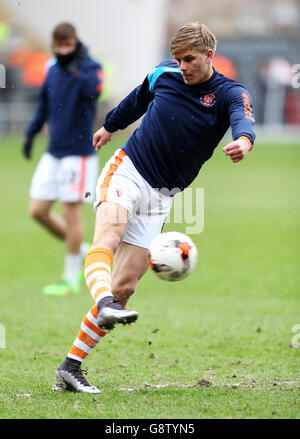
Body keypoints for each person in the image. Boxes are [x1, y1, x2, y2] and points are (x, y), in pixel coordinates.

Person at [53, 22, 255, 393]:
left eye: (189, 59)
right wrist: (110, 126)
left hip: (162, 196)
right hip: (127, 172)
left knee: (125, 286)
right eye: (178, 59)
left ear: (209, 55)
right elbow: (137, 98)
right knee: (108, 237)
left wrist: (244, 141)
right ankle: (104, 302)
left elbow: (243, 119)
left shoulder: (229, 93)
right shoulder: (164, 73)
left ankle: (70, 367)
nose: (182, 66)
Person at [23, 22, 103, 296]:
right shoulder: (51, 67)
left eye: (68, 45)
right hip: (54, 150)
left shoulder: (89, 67)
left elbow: (95, 92)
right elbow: (44, 104)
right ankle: (83, 250)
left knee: (71, 215)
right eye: (59, 46)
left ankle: (70, 278)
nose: (63, 50)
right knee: (38, 211)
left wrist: (78, 70)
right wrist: (32, 132)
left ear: (75, 43)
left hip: (78, 154)